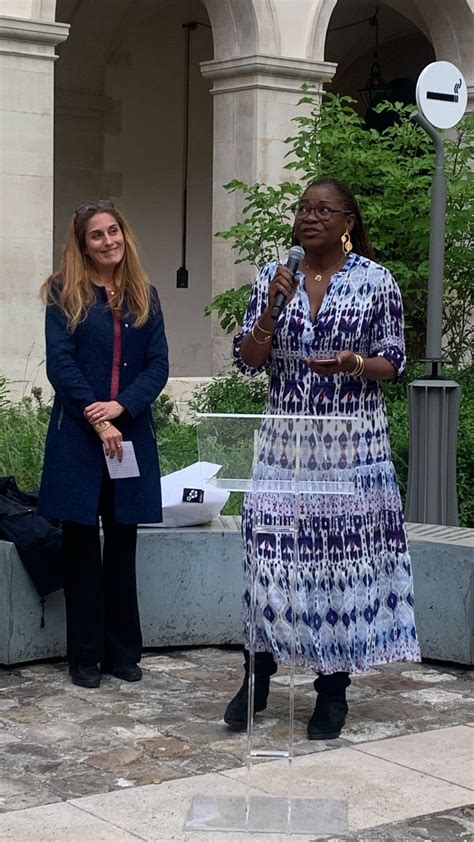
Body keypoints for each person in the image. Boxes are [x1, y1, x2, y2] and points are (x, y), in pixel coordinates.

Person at [224, 177, 421, 739]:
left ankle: (332, 691)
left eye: (323, 210)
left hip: (350, 449)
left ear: (348, 221)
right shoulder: (273, 276)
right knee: (269, 564)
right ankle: (257, 674)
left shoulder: (375, 281)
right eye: (304, 209)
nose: (310, 218)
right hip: (283, 446)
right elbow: (248, 359)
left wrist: (355, 363)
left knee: (335, 565)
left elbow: (395, 360)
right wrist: (268, 311)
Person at [38, 199, 169, 689]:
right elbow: (60, 363)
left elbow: (159, 365)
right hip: (78, 436)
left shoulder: (145, 295)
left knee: (122, 543)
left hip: (128, 432)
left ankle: (123, 652)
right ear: (82, 244)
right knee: (79, 549)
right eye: (97, 235)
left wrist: (121, 409)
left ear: (124, 234)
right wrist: (97, 414)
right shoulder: (61, 293)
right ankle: (84, 657)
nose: (108, 240)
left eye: (114, 230)